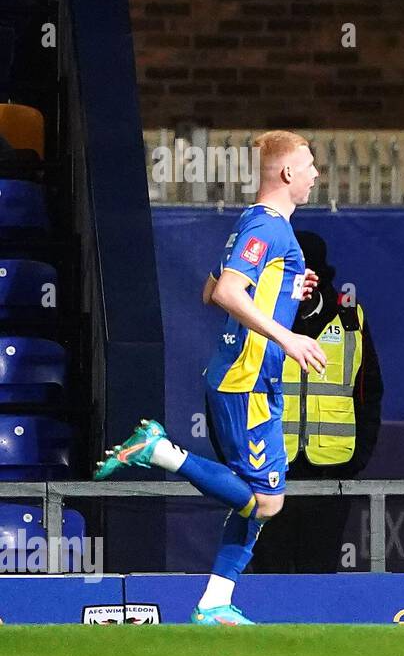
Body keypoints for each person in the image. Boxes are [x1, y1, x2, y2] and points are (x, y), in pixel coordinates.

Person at [94, 131, 326, 624]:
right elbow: (223, 293)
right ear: (287, 173)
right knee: (266, 503)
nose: (315, 174)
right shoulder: (267, 228)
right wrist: (288, 338)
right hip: (246, 380)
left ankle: (215, 603)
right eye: (309, 165)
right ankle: (160, 450)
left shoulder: (256, 224)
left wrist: (287, 287)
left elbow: (210, 289)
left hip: (255, 380)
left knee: (255, 498)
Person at [242, 229, 382, 573]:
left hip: (332, 471)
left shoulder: (351, 321)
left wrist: (356, 459)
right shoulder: (260, 321)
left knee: (319, 571)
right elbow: (237, 393)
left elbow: (369, 395)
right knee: (269, 570)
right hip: (271, 468)